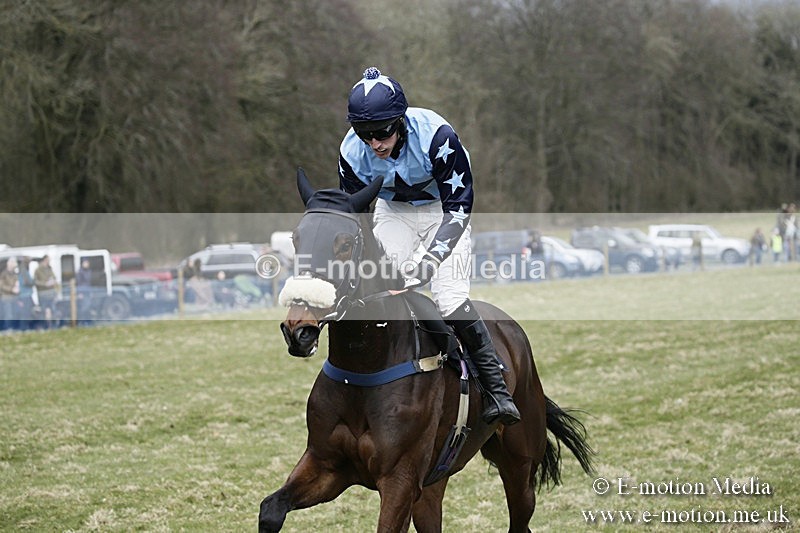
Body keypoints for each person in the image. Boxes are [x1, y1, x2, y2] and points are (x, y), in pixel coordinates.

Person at [337, 67, 519, 425]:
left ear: (400, 120)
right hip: (394, 212)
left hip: (444, 211)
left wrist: (431, 260)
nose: (375, 144)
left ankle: (497, 390)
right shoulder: (350, 152)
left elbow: (460, 206)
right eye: (365, 134)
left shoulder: (438, 137)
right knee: (388, 284)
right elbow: (353, 218)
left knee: (449, 299)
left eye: (382, 132)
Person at [34, 255, 58, 327]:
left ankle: (53, 326)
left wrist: (53, 281)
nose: (48, 262)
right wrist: (45, 284)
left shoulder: (50, 268)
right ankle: (44, 326)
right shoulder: (37, 270)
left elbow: (54, 277)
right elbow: (35, 282)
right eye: (47, 260)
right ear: (44, 260)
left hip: (51, 293)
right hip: (43, 294)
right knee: (43, 310)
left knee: (53, 309)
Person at [1, 258, 20, 331]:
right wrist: (11, 289)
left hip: (14, 297)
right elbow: (1, 286)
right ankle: (8, 328)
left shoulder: (15, 274)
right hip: (6, 297)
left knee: (14, 313)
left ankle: (13, 328)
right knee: (8, 314)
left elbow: (16, 283)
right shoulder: (4, 274)